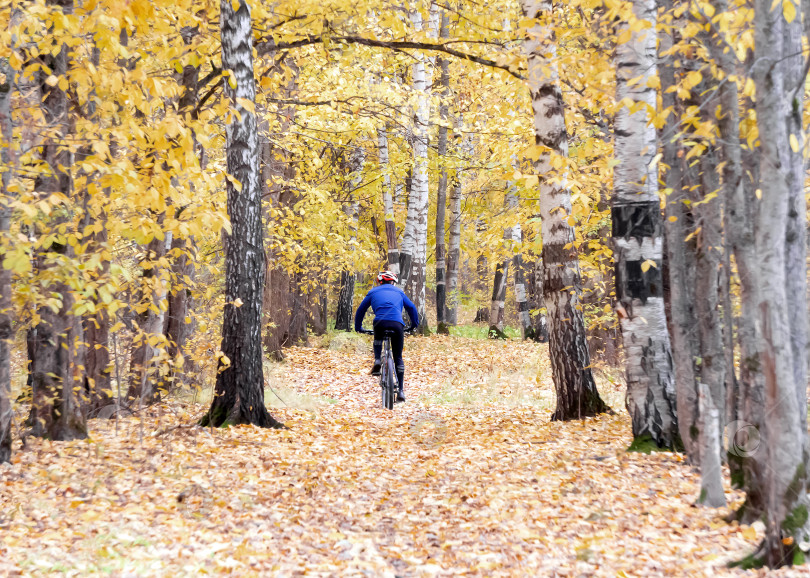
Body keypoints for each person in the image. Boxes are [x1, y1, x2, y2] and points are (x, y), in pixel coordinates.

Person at [354, 270, 419, 402]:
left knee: (378, 337)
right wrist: (414, 325)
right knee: (398, 357)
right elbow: (411, 308)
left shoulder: (373, 292)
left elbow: (361, 310)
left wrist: (358, 327)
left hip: (379, 322)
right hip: (397, 324)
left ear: (379, 281)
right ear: (393, 282)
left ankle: (377, 360)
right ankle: (401, 391)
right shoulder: (399, 292)